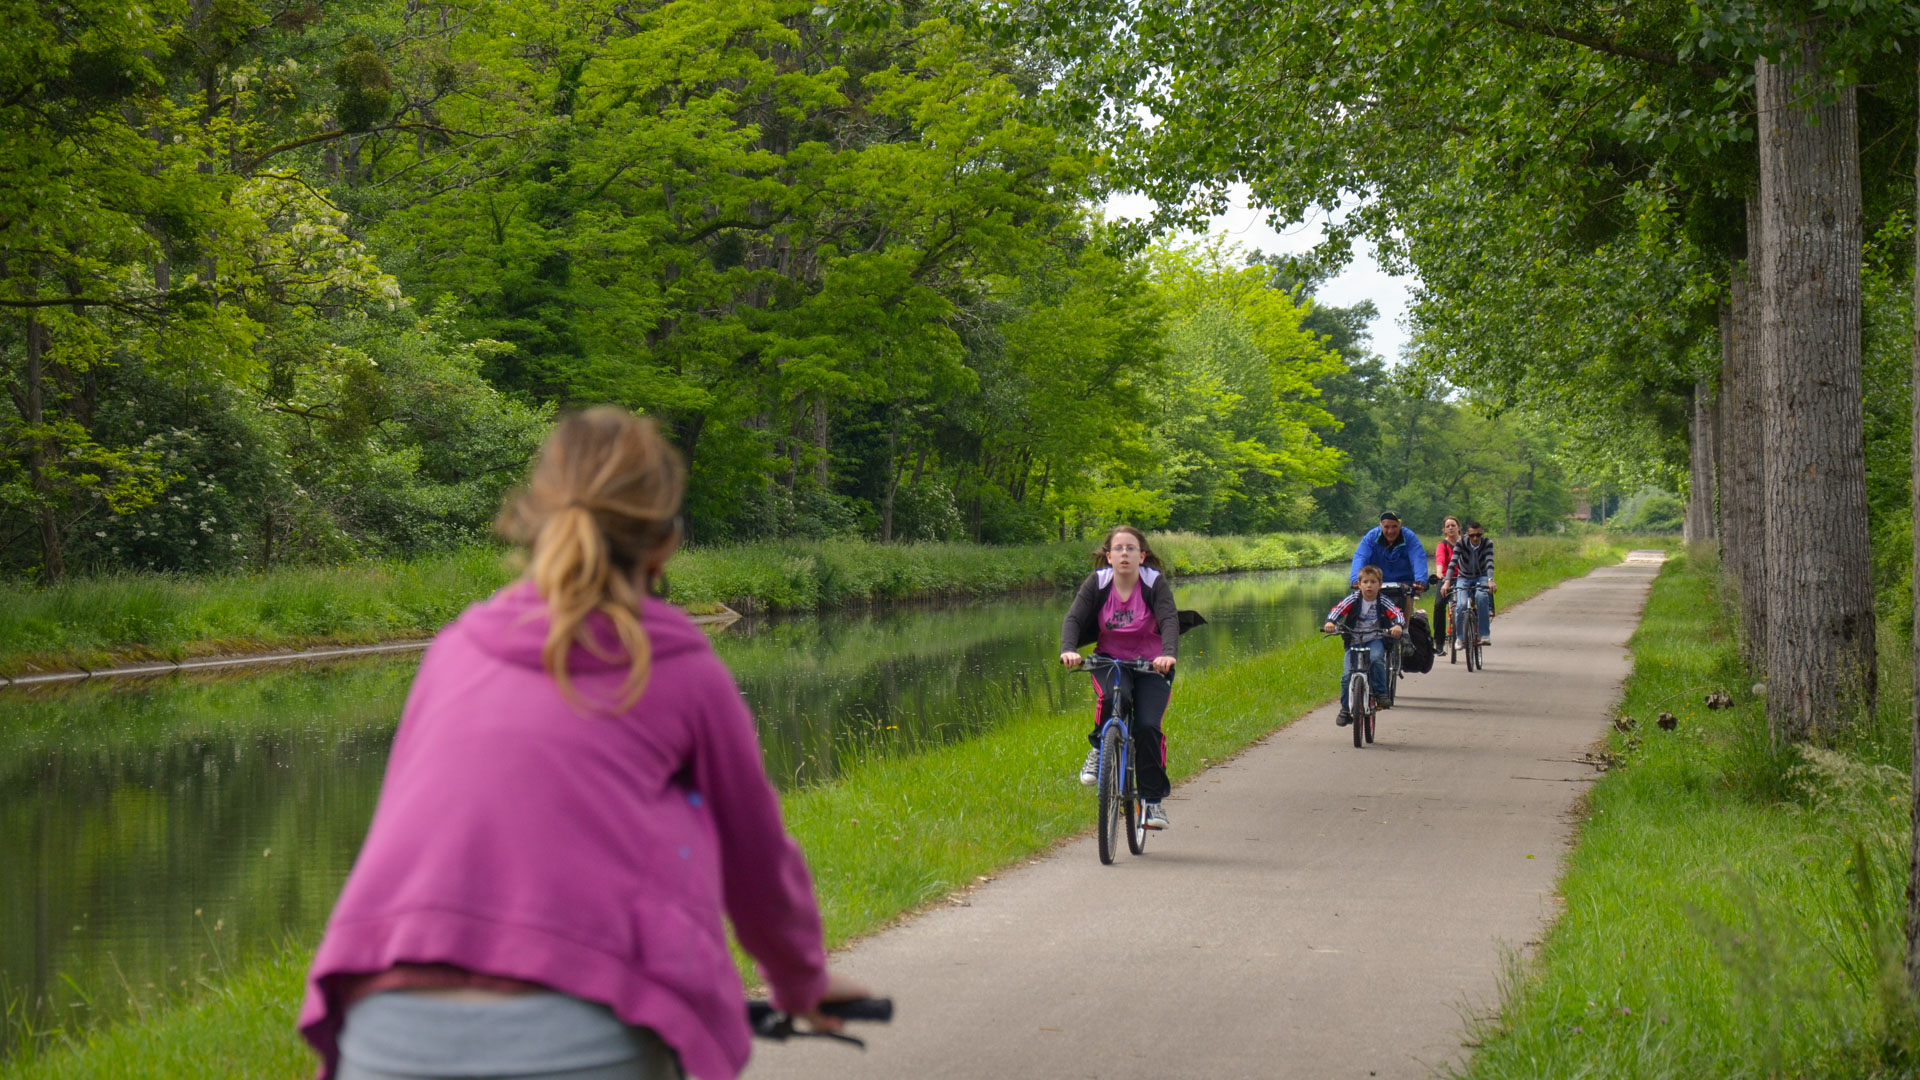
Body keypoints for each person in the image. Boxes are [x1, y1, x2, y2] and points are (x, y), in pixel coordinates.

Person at [298, 407, 865, 1080]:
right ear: (665, 545)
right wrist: (801, 982)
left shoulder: (454, 650)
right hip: (580, 1028)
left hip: (386, 1029)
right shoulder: (676, 667)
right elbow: (756, 860)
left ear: (536, 520)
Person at [1059, 525, 1181, 831]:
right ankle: (1100, 749)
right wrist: (1069, 650)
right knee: (1115, 696)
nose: (1124, 554)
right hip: (1109, 660)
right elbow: (1074, 617)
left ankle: (1152, 803)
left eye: (1130, 549)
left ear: (1142, 556)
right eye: (1118, 549)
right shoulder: (1098, 583)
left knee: (1148, 727)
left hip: (1152, 665)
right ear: (1108, 556)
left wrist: (1167, 654)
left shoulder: (1153, 582)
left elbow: (1168, 618)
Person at [1323, 565, 1406, 726]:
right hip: (1354, 640)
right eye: (1365, 582)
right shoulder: (1353, 599)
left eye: (1373, 582)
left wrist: (1398, 625)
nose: (1369, 585)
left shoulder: (1383, 600)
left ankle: (1381, 693)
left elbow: (1397, 613)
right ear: (1359, 584)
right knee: (1347, 675)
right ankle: (1345, 710)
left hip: (1375, 638)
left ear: (1380, 584)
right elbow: (1338, 609)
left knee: (1376, 659)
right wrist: (1330, 621)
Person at [1450, 520, 1496, 646]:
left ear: (1482, 534)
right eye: (1472, 535)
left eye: (1478, 535)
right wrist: (1447, 581)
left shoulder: (1487, 543)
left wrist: (1490, 580)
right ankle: (1459, 637)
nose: (1475, 538)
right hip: (1463, 577)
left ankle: (1484, 634)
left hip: (1481, 576)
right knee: (1461, 605)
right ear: (1467, 534)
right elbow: (1453, 562)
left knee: (1481, 597)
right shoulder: (1461, 543)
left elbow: (1489, 562)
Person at [1431, 515, 1461, 645]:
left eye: (1453, 525)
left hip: (1463, 578)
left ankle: (1470, 629)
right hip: (1445, 578)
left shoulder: (1465, 542)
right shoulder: (1442, 545)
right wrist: (1439, 574)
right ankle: (1439, 640)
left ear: (1459, 527)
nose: (1451, 528)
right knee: (1439, 605)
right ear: (1444, 530)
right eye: (1447, 526)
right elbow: (1440, 560)